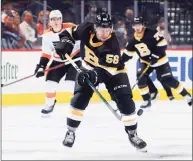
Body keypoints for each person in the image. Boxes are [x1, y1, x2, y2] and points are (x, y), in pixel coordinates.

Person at [54, 12, 147, 151]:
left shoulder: (112, 44)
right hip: (88, 67)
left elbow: (106, 71)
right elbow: (69, 32)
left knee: (126, 103)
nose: (104, 33)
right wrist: (65, 42)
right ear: (95, 27)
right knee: (79, 99)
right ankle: (70, 132)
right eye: (101, 29)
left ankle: (133, 134)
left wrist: (92, 75)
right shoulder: (86, 28)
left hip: (114, 72)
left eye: (108, 30)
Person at [121, 17, 192, 108]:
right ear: (133, 26)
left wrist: (155, 56)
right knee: (141, 78)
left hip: (160, 61)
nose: (137, 27)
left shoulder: (152, 33)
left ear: (143, 25)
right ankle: (147, 100)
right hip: (146, 62)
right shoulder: (132, 40)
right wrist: (120, 62)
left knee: (167, 80)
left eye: (139, 25)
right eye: (135, 25)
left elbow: (163, 44)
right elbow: (127, 54)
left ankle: (187, 96)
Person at [34, 10, 81, 116]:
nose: (56, 21)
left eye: (58, 19)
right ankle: (49, 105)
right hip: (58, 61)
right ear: (49, 22)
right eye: (53, 19)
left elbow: (83, 41)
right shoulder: (47, 35)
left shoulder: (71, 27)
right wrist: (42, 66)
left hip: (74, 59)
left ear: (61, 20)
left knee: (70, 84)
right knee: (50, 84)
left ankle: (77, 106)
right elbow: (46, 53)